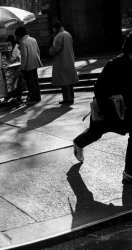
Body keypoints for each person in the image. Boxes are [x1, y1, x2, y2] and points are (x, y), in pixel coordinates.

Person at [73, 32, 132, 185]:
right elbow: (99, 88)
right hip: (109, 110)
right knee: (95, 133)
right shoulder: (114, 64)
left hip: (128, 111)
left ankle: (129, 173)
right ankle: (79, 143)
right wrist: (112, 106)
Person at [49, 20, 78, 105]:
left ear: (56, 28)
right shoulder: (67, 34)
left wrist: (50, 50)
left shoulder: (59, 36)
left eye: (53, 28)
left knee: (64, 81)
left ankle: (67, 98)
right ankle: (71, 97)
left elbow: (56, 49)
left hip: (61, 61)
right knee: (69, 81)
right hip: (69, 59)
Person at [15, 26, 42, 105]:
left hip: (28, 66)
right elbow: (38, 51)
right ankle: (37, 97)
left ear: (19, 35)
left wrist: (22, 68)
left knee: (30, 83)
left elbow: (24, 56)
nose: (16, 38)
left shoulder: (23, 42)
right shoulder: (33, 39)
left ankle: (33, 98)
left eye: (17, 36)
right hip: (35, 63)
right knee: (35, 81)